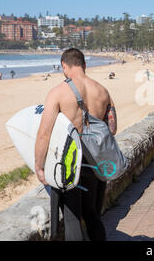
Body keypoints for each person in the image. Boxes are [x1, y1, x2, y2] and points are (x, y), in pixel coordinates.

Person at [35, 48, 117, 241]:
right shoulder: (103, 91)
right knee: (92, 214)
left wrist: (39, 166)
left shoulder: (58, 93)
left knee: (72, 218)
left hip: (72, 161)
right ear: (84, 65)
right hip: (96, 159)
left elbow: (43, 134)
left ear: (64, 66)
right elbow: (111, 128)